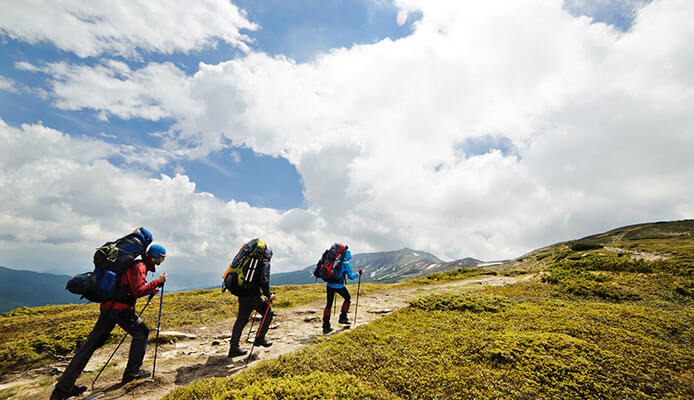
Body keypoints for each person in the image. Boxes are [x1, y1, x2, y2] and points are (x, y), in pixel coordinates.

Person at [50, 245, 168, 400]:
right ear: (157, 256)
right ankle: (132, 372)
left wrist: (151, 289)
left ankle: (63, 388)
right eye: (163, 257)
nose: (163, 260)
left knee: (90, 345)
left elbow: (130, 287)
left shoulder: (137, 265)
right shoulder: (139, 266)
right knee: (142, 333)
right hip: (120, 309)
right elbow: (137, 291)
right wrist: (157, 282)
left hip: (108, 307)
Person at [228, 244, 275, 358]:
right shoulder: (264, 261)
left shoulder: (249, 259)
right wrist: (269, 295)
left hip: (242, 294)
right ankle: (259, 338)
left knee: (241, 320)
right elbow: (264, 279)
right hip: (254, 296)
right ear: (269, 254)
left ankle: (233, 348)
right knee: (268, 313)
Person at [323, 248, 362, 334]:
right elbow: (351, 277)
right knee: (347, 298)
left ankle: (325, 326)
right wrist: (358, 274)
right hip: (339, 286)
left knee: (328, 305)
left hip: (329, 285)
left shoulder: (333, 262)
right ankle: (343, 317)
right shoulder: (346, 264)